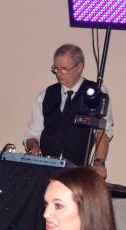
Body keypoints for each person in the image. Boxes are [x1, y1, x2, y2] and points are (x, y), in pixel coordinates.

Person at [23, 44, 114, 179]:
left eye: (64, 69)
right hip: (44, 171)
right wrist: (33, 146)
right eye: (56, 69)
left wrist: (99, 162)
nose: (59, 74)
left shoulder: (96, 94)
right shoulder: (46, 94)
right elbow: (33, 132)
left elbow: (103, 132)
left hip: (76, 173)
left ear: (79, 67)